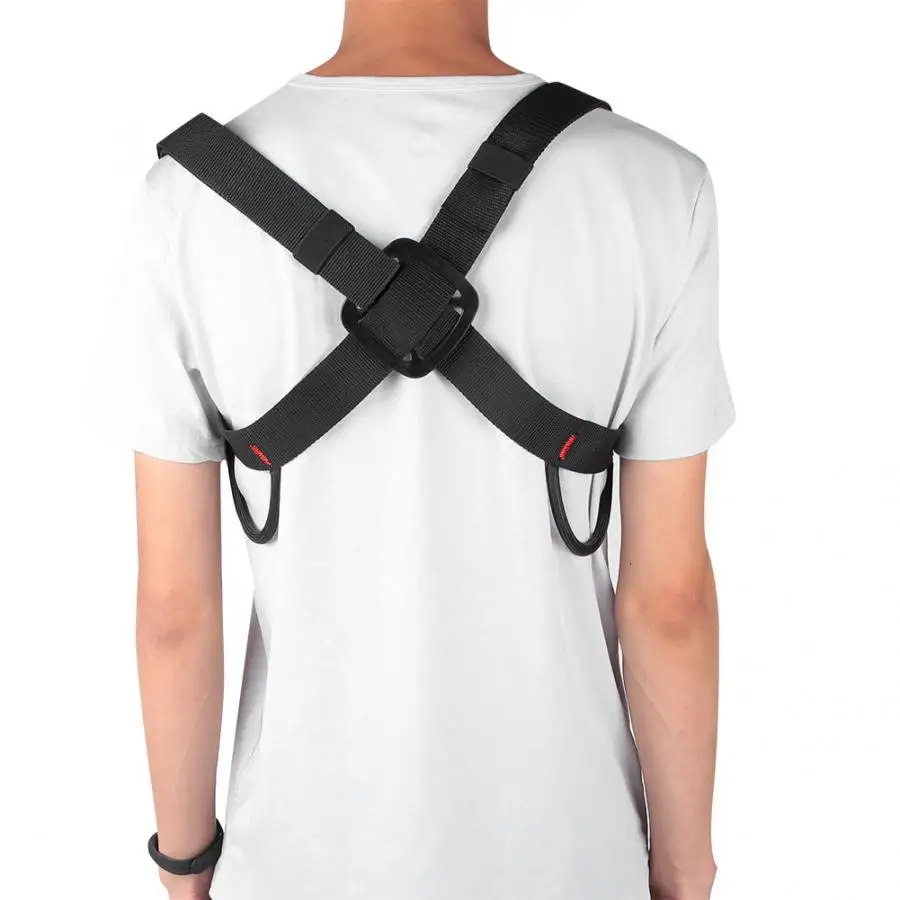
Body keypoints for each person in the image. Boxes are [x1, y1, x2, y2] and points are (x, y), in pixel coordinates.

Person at [109, 1, 734, 898]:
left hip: (298, 861)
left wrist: (185, 870)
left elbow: (174, 612)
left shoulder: (184, 202)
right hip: (570, 857)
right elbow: (669, 605)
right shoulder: (658, 187)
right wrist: (682, 874)